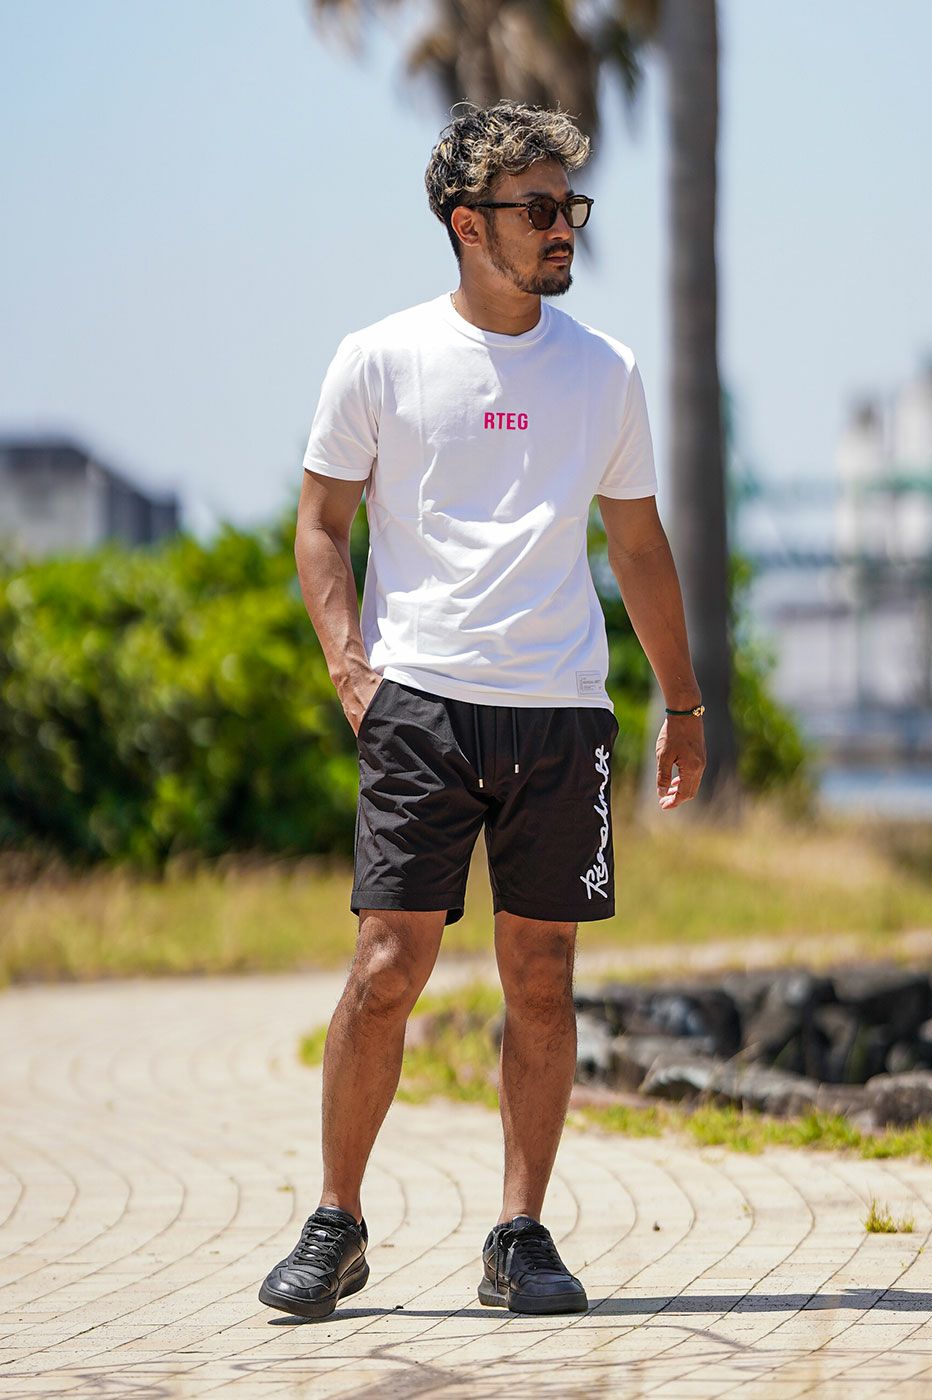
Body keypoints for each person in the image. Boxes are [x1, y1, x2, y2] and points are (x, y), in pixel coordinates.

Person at [259, 100, 706, 1322]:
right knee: (387, 963)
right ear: (469, 224)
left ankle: (518, 1233)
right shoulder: (380, 357)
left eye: (571, 206)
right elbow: (318, 525)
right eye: (539, 208)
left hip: (560, 710)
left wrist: (682, 700)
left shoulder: (604, 370)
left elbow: (638, 545)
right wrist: (353, 675)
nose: (565, 228)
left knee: (543, 975)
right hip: (420, 705)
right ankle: (336, 1220)